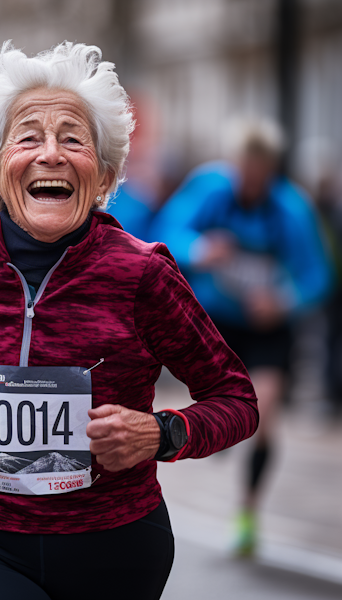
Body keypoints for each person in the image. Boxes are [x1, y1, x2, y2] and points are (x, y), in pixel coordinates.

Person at [0, 42, 258, 600]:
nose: (52, 155)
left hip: (115, 547)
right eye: (29, 137)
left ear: (105, 175)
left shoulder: (142, 275)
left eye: (72, 139)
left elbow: (235, 400)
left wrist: (161, 433)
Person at [151, 118, 333, 556]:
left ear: (271, 169)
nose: (249, 180)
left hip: (268, 327)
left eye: (259, 172)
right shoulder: (211, 188)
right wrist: (200, 249)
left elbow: (318, 275)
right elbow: (166, 233)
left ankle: (247, 511)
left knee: (261, 414)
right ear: (233, 164)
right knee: (224, 404)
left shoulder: (291, 208)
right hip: (219, 322)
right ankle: (220, 434)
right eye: (243, 170)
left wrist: (284, 300)